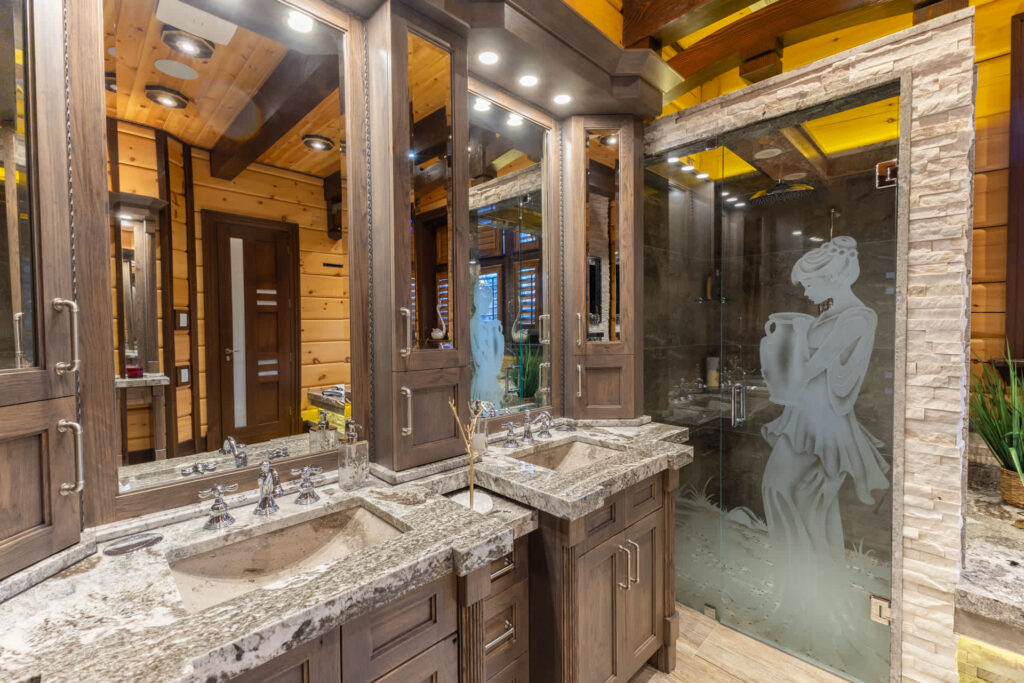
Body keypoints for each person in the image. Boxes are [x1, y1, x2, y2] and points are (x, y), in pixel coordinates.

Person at [759, 236, 890, 659]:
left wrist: (779, 352)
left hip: (823, 426)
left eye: (809, 284)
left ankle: (816, 601)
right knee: (791, 498)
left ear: (830, 276)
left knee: (794, 497)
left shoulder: (858, 318)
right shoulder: (832, 314)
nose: (806, 292)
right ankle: (802, 594)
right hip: (805, 419)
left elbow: (811, 368)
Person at [470, 278, 505, 407]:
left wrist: (495, 331)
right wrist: (494, 333)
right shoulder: (475, 324)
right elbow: (480, 358)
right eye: (486, 303)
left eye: (489, 303)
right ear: (478, 302)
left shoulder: (483, 324)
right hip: (484, 380)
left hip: (486, 378)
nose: (488, 306)